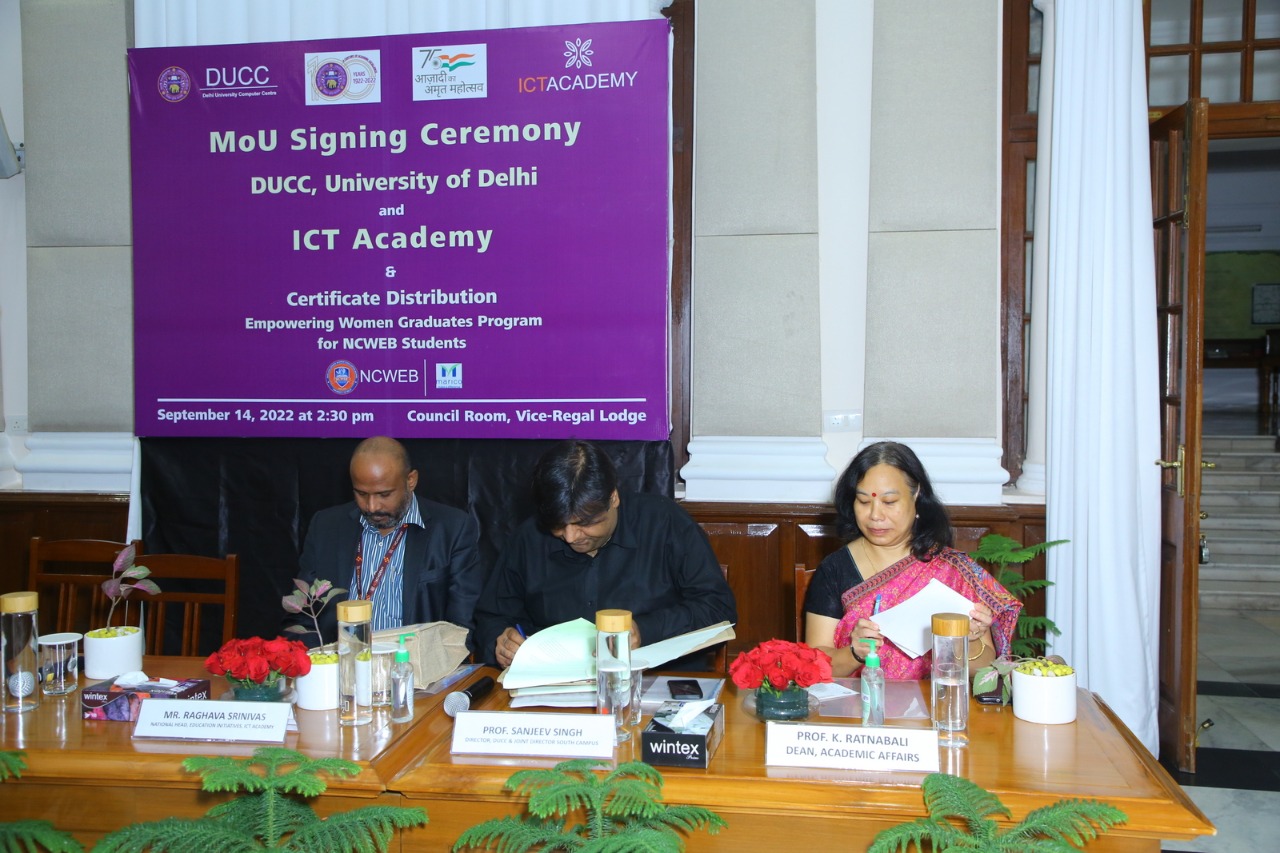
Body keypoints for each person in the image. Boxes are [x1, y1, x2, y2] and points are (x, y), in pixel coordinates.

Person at [475, 439, 736, 668]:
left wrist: (645, 631)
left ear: (613, 498)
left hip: (655, 679)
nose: (570, 536)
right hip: (551, 688)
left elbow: (718, 609)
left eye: (584, 523)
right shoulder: (529, 538)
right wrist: (501, 642)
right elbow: (491, 617)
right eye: (558, 525)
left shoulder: (664, 523)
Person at [804, 441, 1021, 679]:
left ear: (916, 494)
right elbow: (814, 663)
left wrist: (967, 642)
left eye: (889, 502)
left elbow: (985, 668)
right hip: (862, 699)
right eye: (864, 502)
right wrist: (854, 653)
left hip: (935, 699)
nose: (875, 515)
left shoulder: (950, 569)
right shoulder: (834, 569)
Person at [291, 436, 484, 649]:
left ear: (411, 480)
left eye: (384, 494)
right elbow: (302, 613)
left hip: (415, 664)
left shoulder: (452, 529)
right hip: (340, 662)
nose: (372, 506)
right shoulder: (326, 526)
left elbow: (460, 627)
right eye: (361, 493)